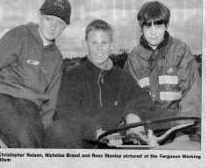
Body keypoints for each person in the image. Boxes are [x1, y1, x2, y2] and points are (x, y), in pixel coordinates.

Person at [0, 0, 71, 148]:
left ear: (65, 27)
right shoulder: (20, 34)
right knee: (25, 141)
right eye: (48, 19)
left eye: (59, 23)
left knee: (38, 146)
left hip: (29, 107)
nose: (53, 26)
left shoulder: (57, 58)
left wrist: (44, 126)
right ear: (40, 16)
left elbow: (51, 98)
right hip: (1, 96)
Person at [44, 19, 153, 148]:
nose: (99, 48)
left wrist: (133, 117)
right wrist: (97, 132)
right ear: (86, 44)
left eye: (104, 43)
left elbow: (141, 98)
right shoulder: (73, 75)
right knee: (57, 130)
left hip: (117, 142)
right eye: (94, 43)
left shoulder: (120, 75)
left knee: (163, 117)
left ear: (111, 45)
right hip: (84, 143)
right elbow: (67, 111)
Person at [125, 1, 201, 148]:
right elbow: (130, 100)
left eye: (158, 25)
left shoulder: (181, 51)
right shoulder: (133, 58)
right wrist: (133, 124)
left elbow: (192, 99)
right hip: (146, 131)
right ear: (141, 28)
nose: (153, 32)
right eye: (148, 26)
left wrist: (181, 133)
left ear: (166, 26)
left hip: (180, 129)